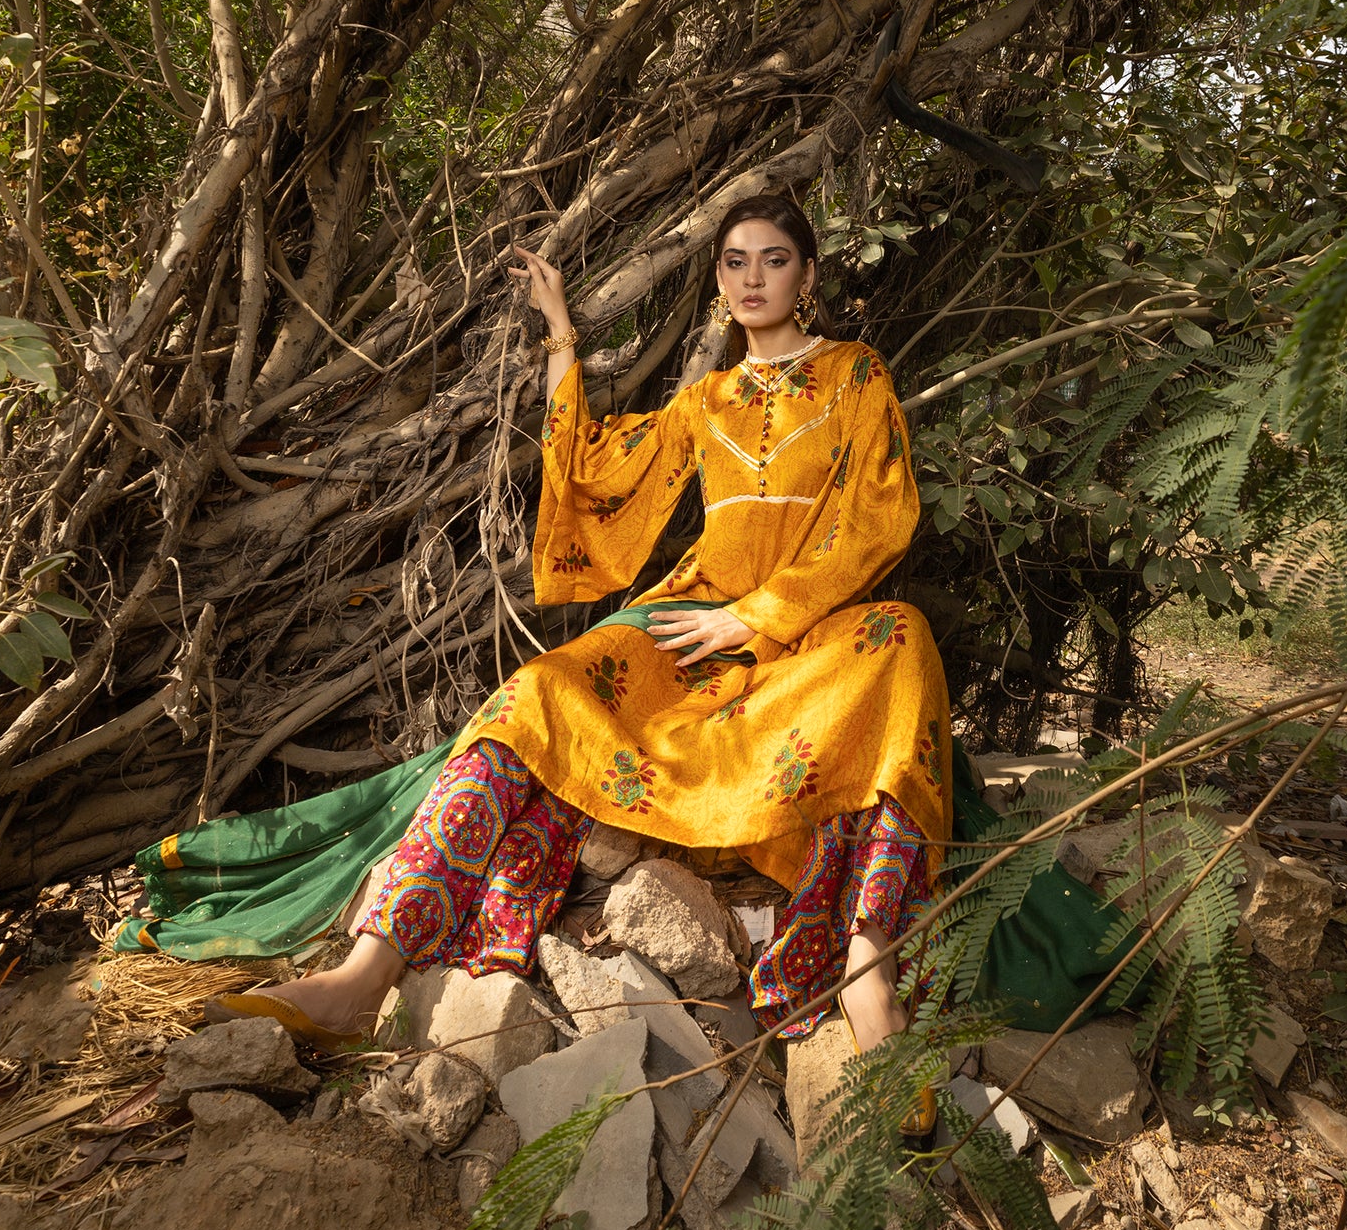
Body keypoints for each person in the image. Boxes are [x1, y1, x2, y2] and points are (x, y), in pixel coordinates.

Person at [210, 194, 952, 1087]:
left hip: (815, 626)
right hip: (691, 615)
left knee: (904, 636)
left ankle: (868, 975)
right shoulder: (705, 400)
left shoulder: (854, 375)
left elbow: (879, 520)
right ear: (717, 281)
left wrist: (757, 617)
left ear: (810, 274)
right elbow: (597, 470)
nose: (752, 278)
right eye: (734, 262)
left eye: (774, 260)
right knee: (535, 695)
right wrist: (560, 334)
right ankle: (363, 974)